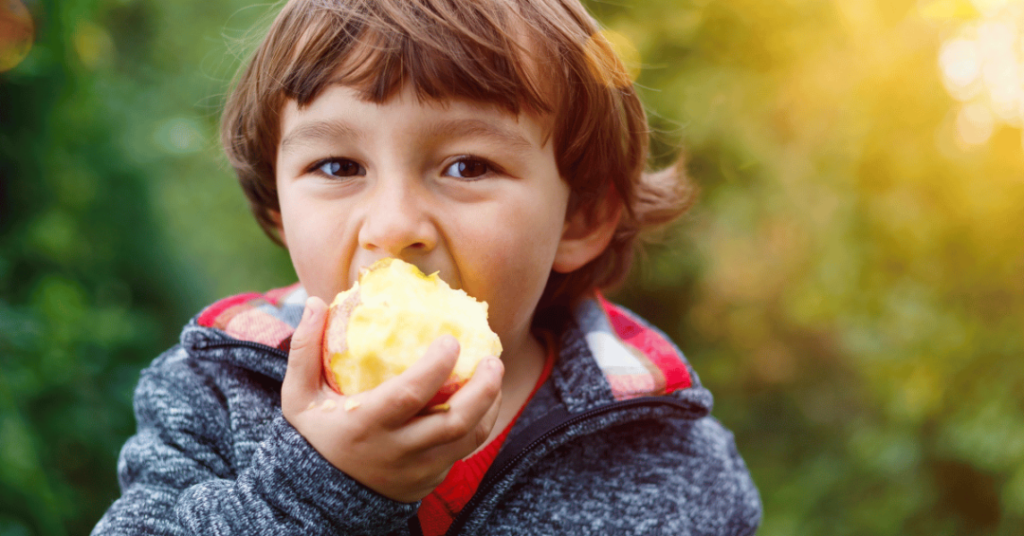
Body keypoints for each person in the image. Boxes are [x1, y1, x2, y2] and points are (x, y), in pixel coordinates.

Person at [92, 0, 762, 534]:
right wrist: (316, 489)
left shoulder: (673, 460)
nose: (393, 227)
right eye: (338, 166)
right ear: (278, 209)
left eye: (467, 166)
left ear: (579, 218)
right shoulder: (215, 392)